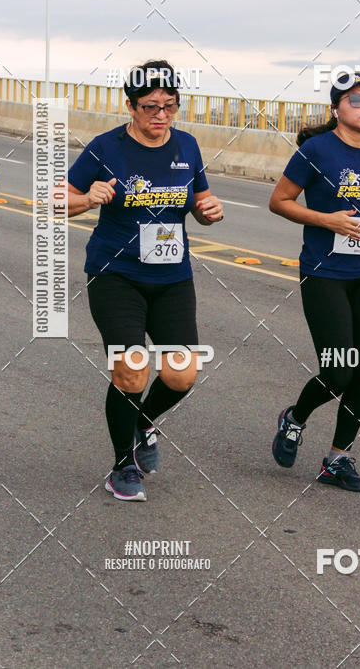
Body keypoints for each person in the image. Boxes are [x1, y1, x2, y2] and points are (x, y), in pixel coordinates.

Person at [66, 60, 223, 501]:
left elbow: (201, 197)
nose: (162, 116)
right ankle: (121, 467)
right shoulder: (105, 148)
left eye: (170, 106)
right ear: (130, 106)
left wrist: (209, 211)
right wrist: (85, 198)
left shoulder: (187, 146)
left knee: (181, 376)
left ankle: (144, 420)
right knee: (132, 371)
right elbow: (58, 197)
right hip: (117, 274)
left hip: (173, 277)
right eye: (151, 106)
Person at [269, 71, 360, 492]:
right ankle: (295, 418)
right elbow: (279, 202)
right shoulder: (316, 151)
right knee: (340, 369)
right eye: (357, 100)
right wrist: (326, 220)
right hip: (324, 273)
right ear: (336, 109)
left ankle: (337, 459)